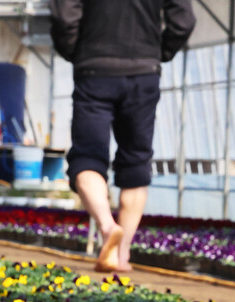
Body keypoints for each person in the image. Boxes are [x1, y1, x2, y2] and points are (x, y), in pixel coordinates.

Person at [51, 0, 195, 272]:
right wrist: (157, 51)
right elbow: (184, 20)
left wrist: (76, 50)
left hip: (94, 69)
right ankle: (123, 254)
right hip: (143, 71)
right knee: (135, 161)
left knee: (87, 158)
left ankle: (107, 227)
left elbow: (64, 15)